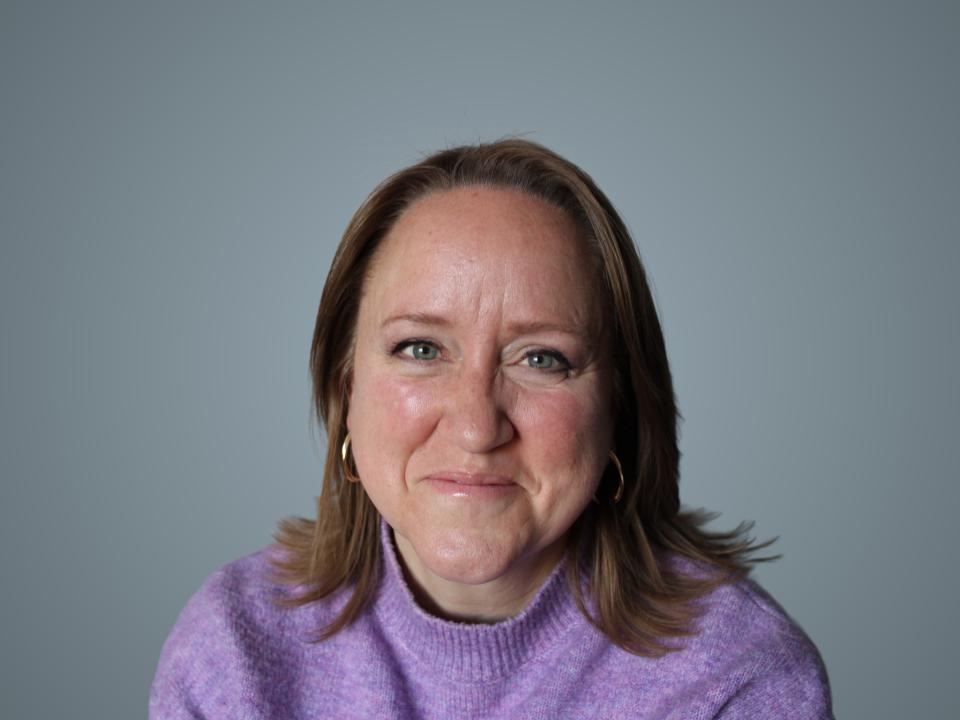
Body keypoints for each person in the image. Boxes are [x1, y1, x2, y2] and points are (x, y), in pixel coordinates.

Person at [150, 139, 833, 719]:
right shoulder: (235, 651)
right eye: (420, 349)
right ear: (345, 387)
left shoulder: (737, 676)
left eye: (541, 358)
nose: (477, 426)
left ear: (619, 408)